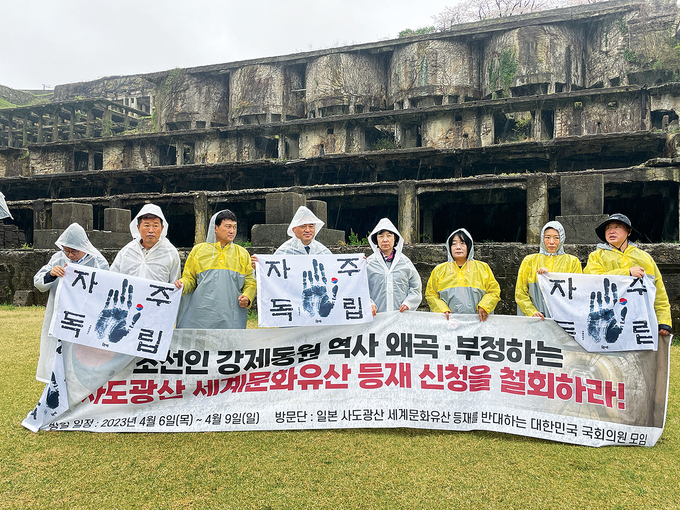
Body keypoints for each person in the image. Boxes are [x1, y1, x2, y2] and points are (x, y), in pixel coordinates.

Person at [33, 223, 109, 383]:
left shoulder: (98, 262)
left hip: (84, 318)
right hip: (60, 315)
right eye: (66, 250)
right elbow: (38, 282)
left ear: (84, 247)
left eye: (74, 251)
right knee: (57, 355)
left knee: (82, 357)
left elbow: (106, 291)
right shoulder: (58, 258)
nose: (69, 254)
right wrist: (51, 274)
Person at [584, 213, 671, 336]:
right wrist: (627, 273)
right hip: (608, 318)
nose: (611, 231)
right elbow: (592, 280)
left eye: (617, 227)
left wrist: (664, 321)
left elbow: (659, 292)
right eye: (608, 228)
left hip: (640, 318)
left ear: (629, 232)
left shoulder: (645, 258)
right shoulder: (596, 256)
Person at [174, 209, 256, 329]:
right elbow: (190, 278)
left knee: (229, 346)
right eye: (228, 226)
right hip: (200, 314)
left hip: (231, 313)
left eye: (234, 227)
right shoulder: (199, 250)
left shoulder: (242, 253)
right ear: (215, 228)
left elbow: (250, 281)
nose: (232, 231)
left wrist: (248, 297)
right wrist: (182, 285)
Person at [425, 228, 500, 322]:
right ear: (449, 247)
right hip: (448, 324)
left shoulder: (482, 268)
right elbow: (431, 294)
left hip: (478, 324)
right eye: (454, 243)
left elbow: (493, 291)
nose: (458, 247)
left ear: (469, 246)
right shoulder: (439, 270)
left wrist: (485, 306)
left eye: (462, 243)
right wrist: (442, 310)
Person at [515, 221, 582, 320]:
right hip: (535, 318)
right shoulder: (529, 261)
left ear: (562, 239)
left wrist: (550, 275)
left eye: (556, 237)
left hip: (562, 318)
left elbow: (577, 291)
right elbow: (520, 291)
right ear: (542, 238)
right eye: (547, 237)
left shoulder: (572, 262)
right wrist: (531, 311)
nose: (551, 242)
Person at [110, 204, 180, 284]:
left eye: (155, 226)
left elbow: (175, 283)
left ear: (162, 228)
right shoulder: (127, 251)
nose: (151, 230)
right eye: (146, 225)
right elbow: (112, 278)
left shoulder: (170, 253)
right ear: (138, 228)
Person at [366, 218, 422, 316]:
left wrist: (408, 303)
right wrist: (369, 303)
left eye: (389, 235)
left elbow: (416, 287)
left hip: (400, 317)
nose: (385, 239)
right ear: (376, 239)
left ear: (395, 238)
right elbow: (361, 288)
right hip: (376, 318)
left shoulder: (405, 263)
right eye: (381, 236)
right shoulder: (368, 263)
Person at [251, 205, 331, 268]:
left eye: (311, 226)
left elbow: (333, 269)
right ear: (294, 229)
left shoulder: (322, 250)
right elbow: (273, 274)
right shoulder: (285, 250)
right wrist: (259, 267)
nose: (307, 230)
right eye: (303, 226)